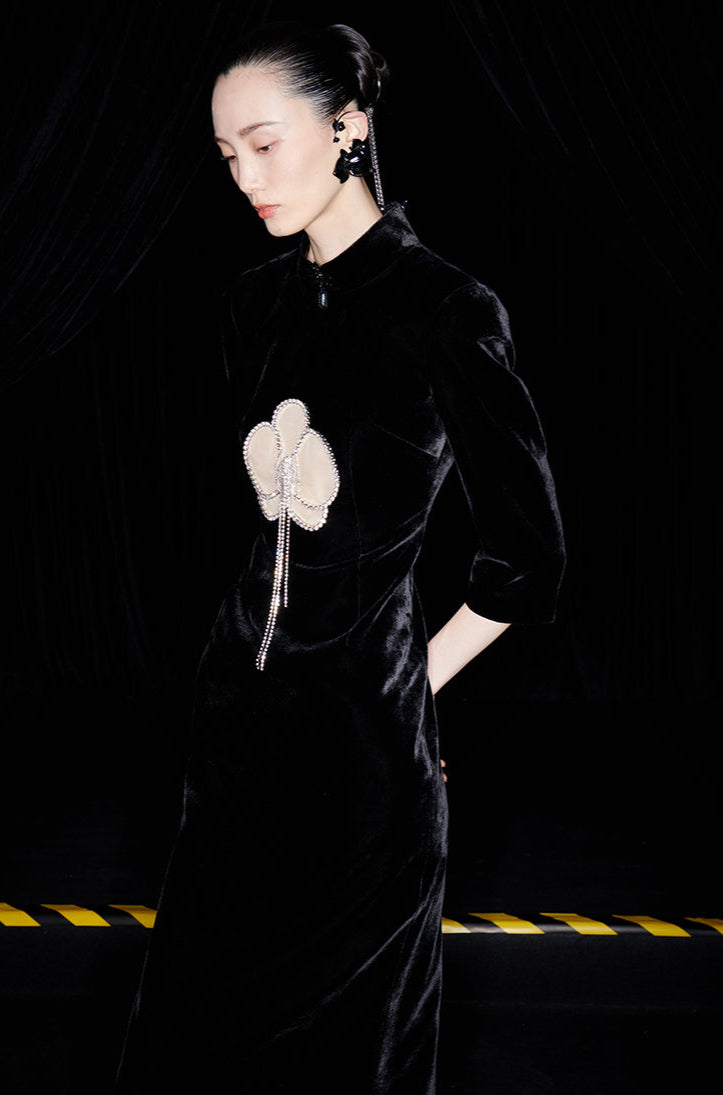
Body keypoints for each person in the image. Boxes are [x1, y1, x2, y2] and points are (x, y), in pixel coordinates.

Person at [115, 21, 565, 1095]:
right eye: (227, 155)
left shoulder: (446, 311)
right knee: (186, 1042)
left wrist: (404, 696)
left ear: (347, 127)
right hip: (234, 743)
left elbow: (528, 556)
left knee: (348, 1056)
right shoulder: (252, 306)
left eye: (265, 145)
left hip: (361, 772)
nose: (244, 178)